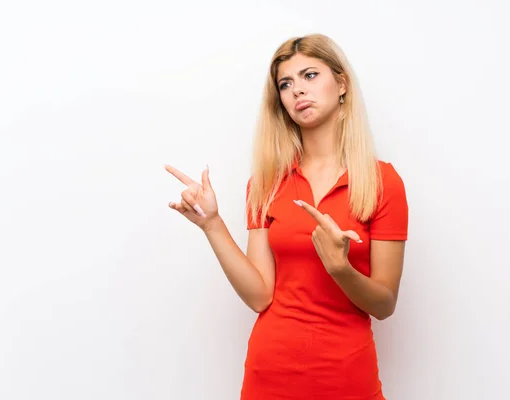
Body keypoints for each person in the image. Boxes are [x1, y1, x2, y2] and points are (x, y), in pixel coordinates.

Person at [165, 33, 408, 400]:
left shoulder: (382, 182)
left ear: (341, 84)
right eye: (286, 84)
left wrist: (340, 268)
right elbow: (261, 296)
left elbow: (385, 305)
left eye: (310, 75)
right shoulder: (266, 183)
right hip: (271, 374)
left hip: (347, 377)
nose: (297, 90)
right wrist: (211, 224)